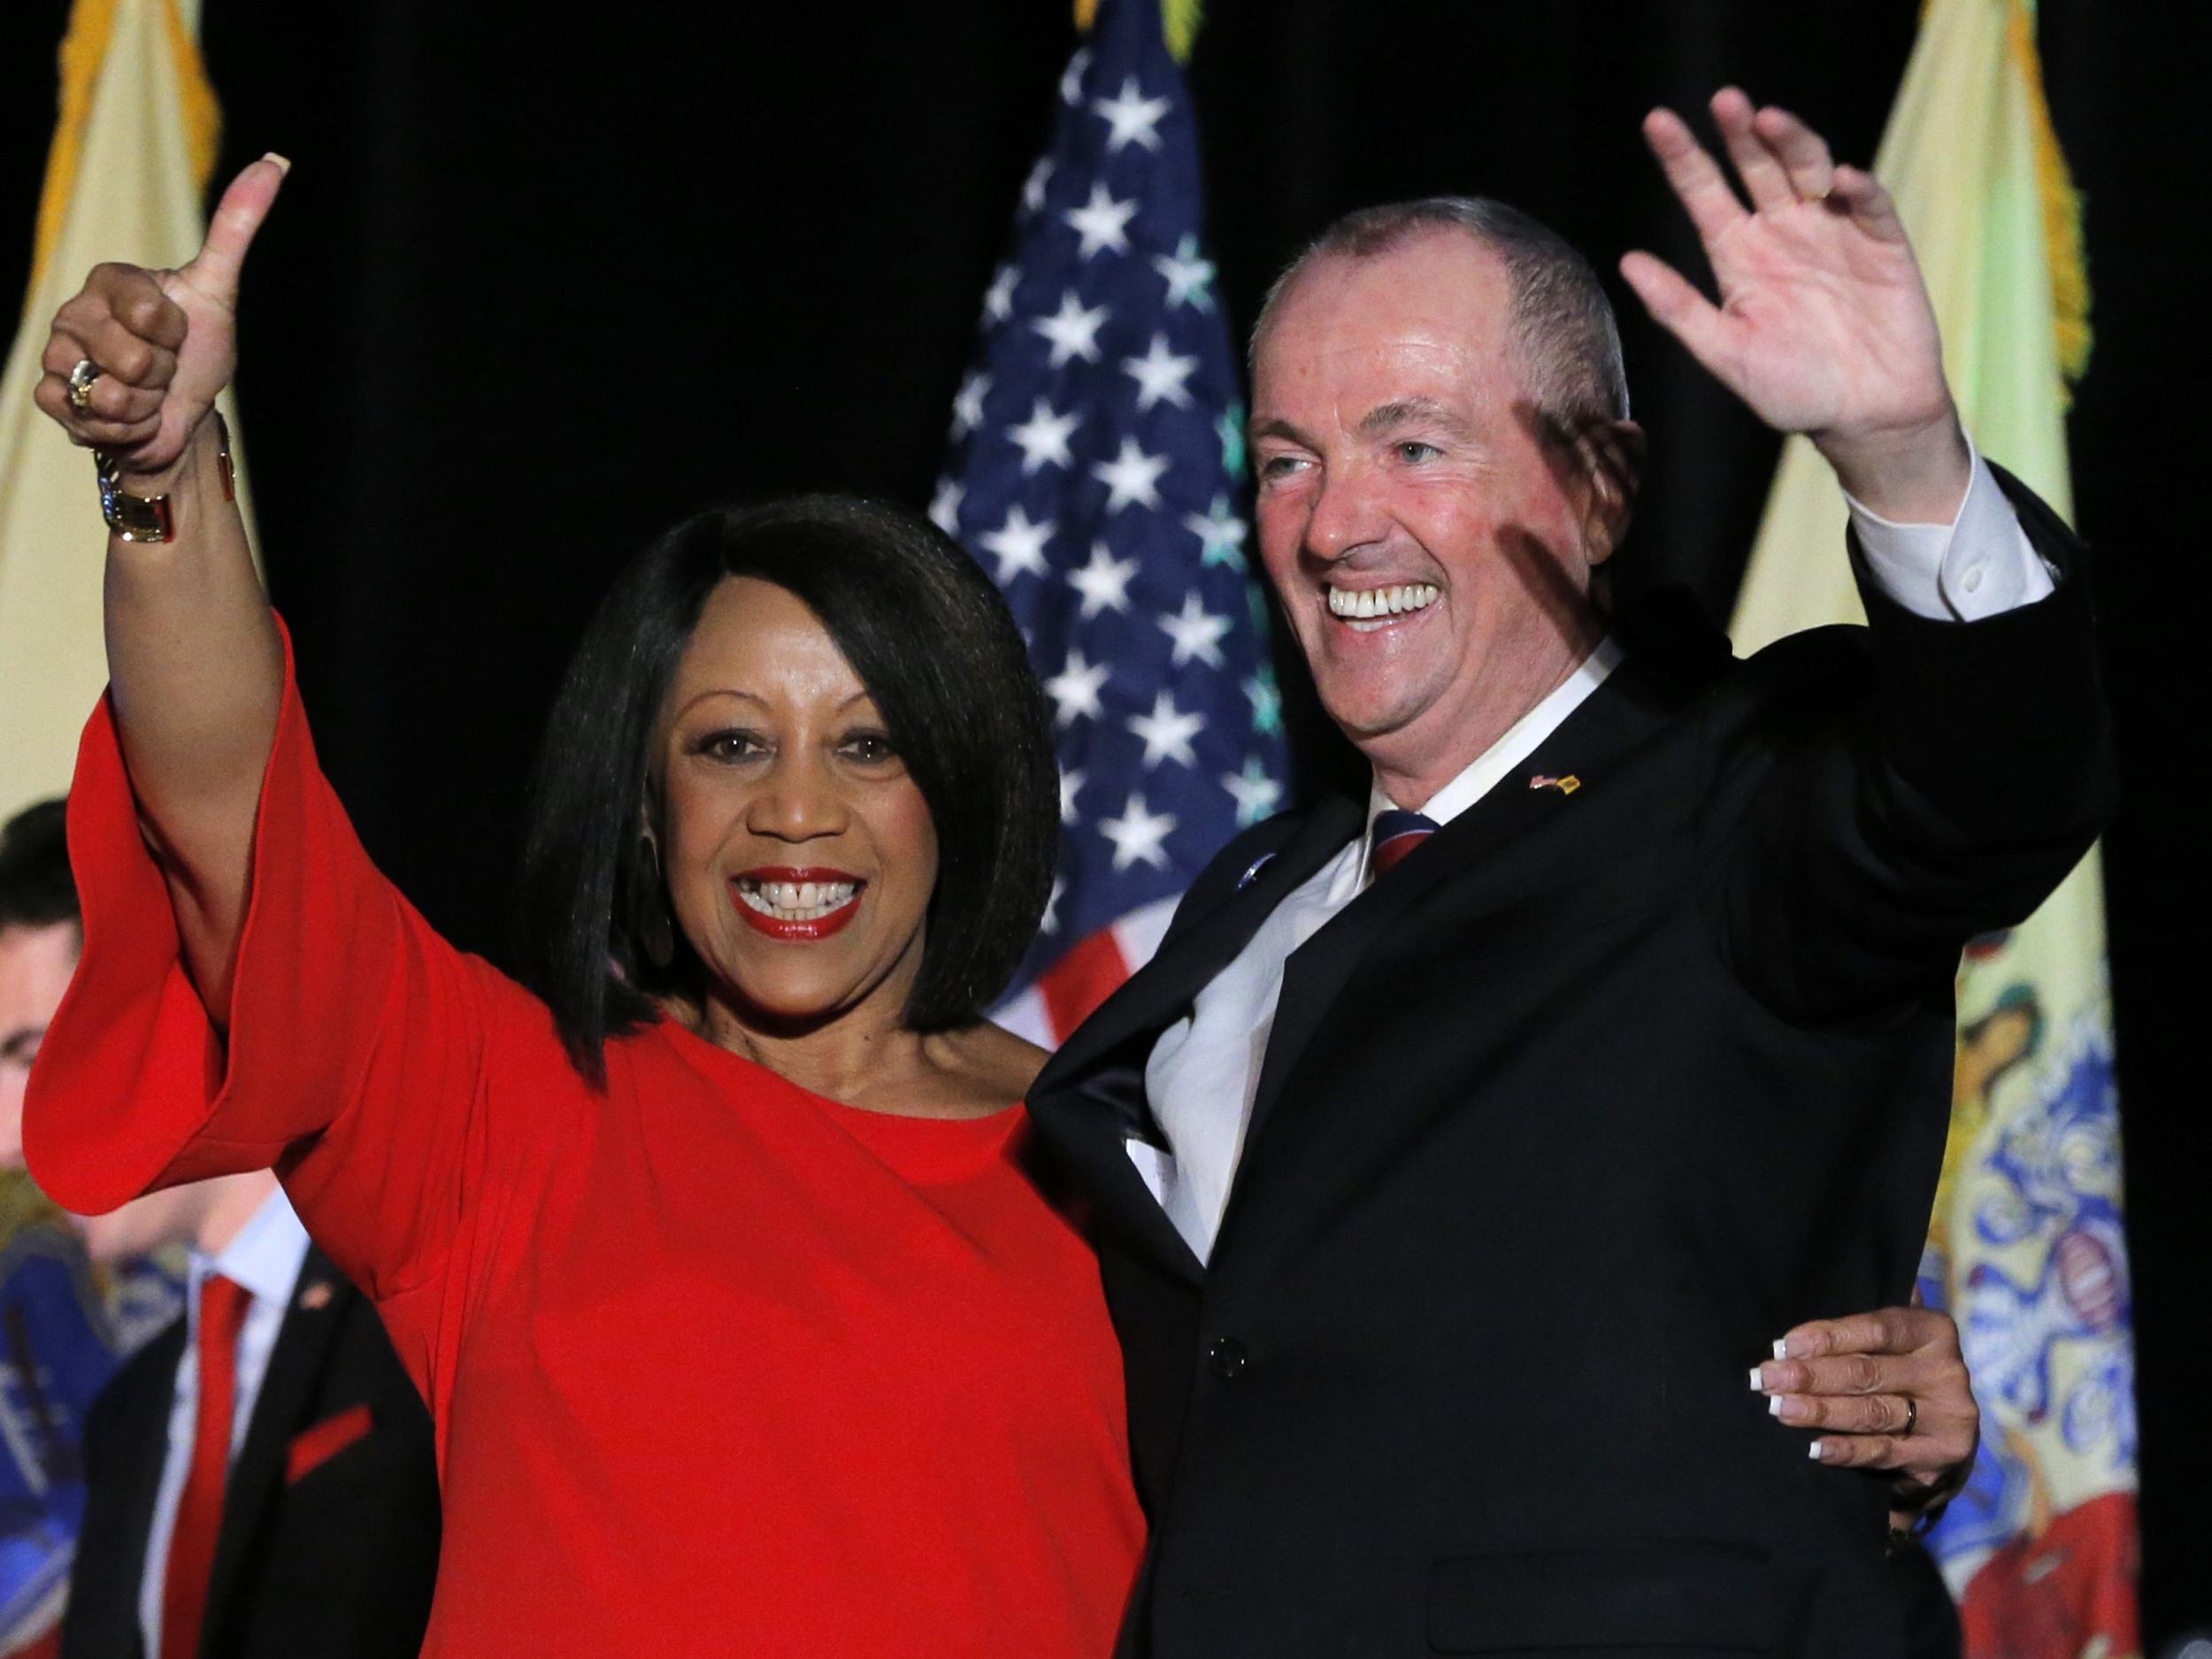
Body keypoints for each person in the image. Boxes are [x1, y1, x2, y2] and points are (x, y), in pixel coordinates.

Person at [24, 148, 1985, 1655]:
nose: (797, 812)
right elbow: (226, 790)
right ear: (637, 803)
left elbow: (1464, 1366)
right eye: (725, 745)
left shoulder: (1111, 1172)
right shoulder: (492, 1112)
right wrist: (167, 470)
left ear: (965, 790)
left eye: (869, 745)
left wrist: (1824, 1393)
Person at [1023, 90, 2110, 1655]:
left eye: (1416, 443)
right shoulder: (1254, 890)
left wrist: (1901, 453)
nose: (1335, 523)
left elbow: (1987, 788)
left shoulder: (1738, 793)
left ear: (1600, 488)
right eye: (1286, 459)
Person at [3, 799, 438, 1659]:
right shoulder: (129, 1418)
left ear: (188, 995)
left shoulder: (430, 1312)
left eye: (28, 1052)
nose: (9, 1135)